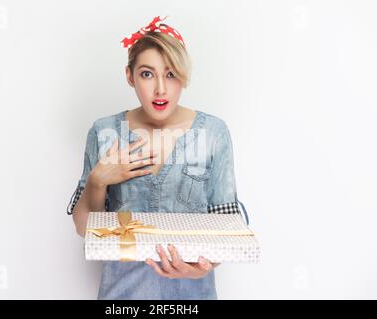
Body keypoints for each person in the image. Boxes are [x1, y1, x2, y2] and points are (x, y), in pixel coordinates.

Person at [67, 16, 249, 300]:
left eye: (171, 74)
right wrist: (98, 180)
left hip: (193, 297)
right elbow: (83, 227)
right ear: (130, 76)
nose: (161, 89)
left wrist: (200, 269)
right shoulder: (104, 132)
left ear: (183, 77)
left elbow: (226, 226)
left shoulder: (213, 132)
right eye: (147, 74)